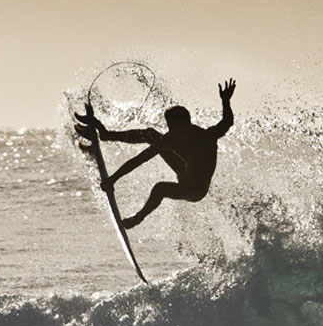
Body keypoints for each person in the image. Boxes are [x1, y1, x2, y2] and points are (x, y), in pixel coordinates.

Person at [75, 78, 236, 229]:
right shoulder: (170, 139)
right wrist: (113, 179)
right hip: (184, 170)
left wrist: (225, 101)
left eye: (174, 129)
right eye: (169, 128)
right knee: (151, 134)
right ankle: (107, 135)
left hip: (195, 190)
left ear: (187, 124)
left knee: (160, 188)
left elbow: (227, 122)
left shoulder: (206, 137)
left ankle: (138, 217)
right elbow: (140, 159)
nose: (170, 133)